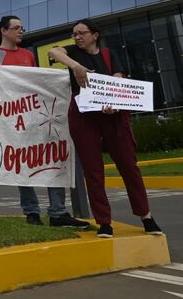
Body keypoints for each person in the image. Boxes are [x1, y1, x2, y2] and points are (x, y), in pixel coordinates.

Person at [48, 19, 163, 238]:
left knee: (129, 167)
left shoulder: (110, 54)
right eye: (74, 34)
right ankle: (104, 222)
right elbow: (55, 52)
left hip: (113, 116)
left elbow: (118, 80)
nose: (77, 37)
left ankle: (146, 216)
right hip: (84, 118)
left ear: (95, 34)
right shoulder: (73, 52)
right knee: (93, 171)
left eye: (82, 33)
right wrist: (76, 66)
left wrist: (114, 103)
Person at [0, 16, 89, 229]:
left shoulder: (27, 55)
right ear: (3, 31)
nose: (21, 31)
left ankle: (58, 211)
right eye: (16, 28)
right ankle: (31, 211)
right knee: (21, 163)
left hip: (37, 115)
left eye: (22, 28)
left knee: (53, 157)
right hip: (11, 118)